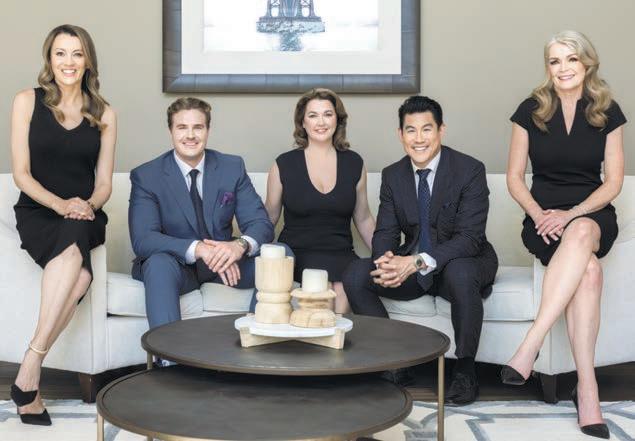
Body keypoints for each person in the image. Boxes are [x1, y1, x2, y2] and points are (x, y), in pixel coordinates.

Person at [503, 30, 625, 439]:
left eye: (571, 59)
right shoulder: (530, 110)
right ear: (548, 67)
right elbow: (515, 178)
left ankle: (530, 344)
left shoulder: (607, 111)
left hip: (591, 213)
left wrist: (572, 214)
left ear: (587, 63)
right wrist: (540, 215)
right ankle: (587, 390)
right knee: (588, 272)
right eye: (555, 61)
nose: (563, 68)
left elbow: (613, 183)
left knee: (582, 231)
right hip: (543, 220)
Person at [342, 95, 498, 405]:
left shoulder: (469, 170)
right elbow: (386, 231)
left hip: (463, 260)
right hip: (415, 265)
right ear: (400, 135)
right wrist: (386, 261)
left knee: (460, 271)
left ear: (441, 130)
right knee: (357, 273)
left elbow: (469, 238)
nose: (419, 139)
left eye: (427, 129)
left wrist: (415, 262)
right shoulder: (393, 175)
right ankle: (395, 362)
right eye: (411, 130)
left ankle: (465, 371)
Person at [10, 24, 117, 425]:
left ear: (88, 60)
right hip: (39, 210)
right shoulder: (26, 101)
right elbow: (21, 174)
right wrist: (60, 204)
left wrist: (87, 205)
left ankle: (29, 367)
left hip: (85, 214)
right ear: (49, 59)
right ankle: (31, 374)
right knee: (81, 278)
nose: (68, 62)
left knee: (76, 241)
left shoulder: (105, 113)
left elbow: (104, 183)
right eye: (60, 53)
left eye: (77, 53)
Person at [129, 97, 276, 336]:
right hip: (177, 266)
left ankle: (257, 340)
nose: (190, 135)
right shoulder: (147, 176)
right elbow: (144, 239)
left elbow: (260, 223)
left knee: (279, 254)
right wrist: (199, 249)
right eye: (182, 127)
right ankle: (166, 355)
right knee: (157, 263)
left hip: (225, 265)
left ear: (208, 130)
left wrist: (238, 246)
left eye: (198, 127)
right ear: (170, 131)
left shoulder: (232, 167)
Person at [265, 88, 375, 313]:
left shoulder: (354, 163)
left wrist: (387, 257)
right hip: (299, 254)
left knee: (344, 290)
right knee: (323, 292)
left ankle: (337, 335)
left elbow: (364, 219)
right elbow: (268, 218)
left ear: (338, 120)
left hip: (341, 252)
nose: (321, 122)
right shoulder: (283, 164)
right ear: (302, 122)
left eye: (328, 114)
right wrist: (248, 250)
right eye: (313, 115)